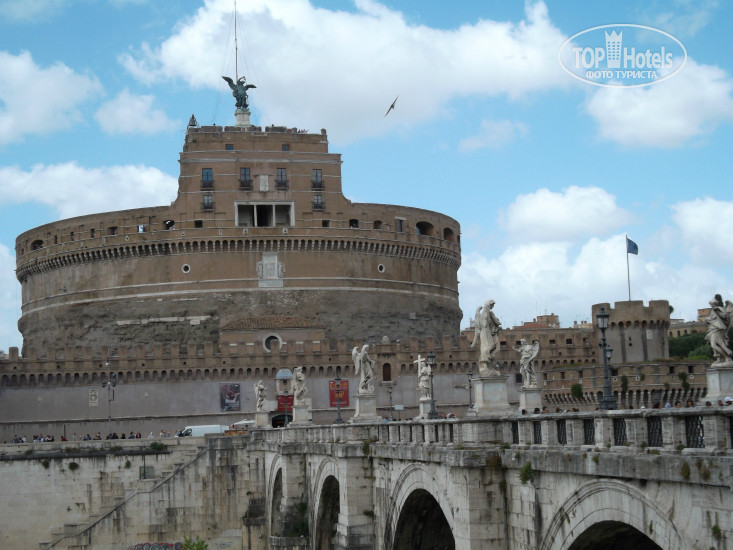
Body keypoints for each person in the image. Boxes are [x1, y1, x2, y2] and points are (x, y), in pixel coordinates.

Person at [471, 299, 502, 376]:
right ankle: (484, 364)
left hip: (485, 332)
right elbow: (497, 322)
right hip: (485, 332)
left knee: (487, 347)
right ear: (489, 304)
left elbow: (479, 326)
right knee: (488, 347)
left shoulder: (481, 314)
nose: (493, 307)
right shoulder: (488, 313)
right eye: (492, 305)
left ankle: (487, 365)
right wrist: (497, 323)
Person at [705, 294, 733, 364]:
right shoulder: (712, 311)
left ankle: (727, 357)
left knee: (716, 344)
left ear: (714, 303)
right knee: (716, 345)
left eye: (711, 304)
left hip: (718, 329)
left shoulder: (719, 308)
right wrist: (708, 320)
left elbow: (724, 317)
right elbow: (713, 319)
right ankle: (720, 358)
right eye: (710, 304)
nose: (711, 305)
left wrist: (718, 311)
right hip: (713, 329)